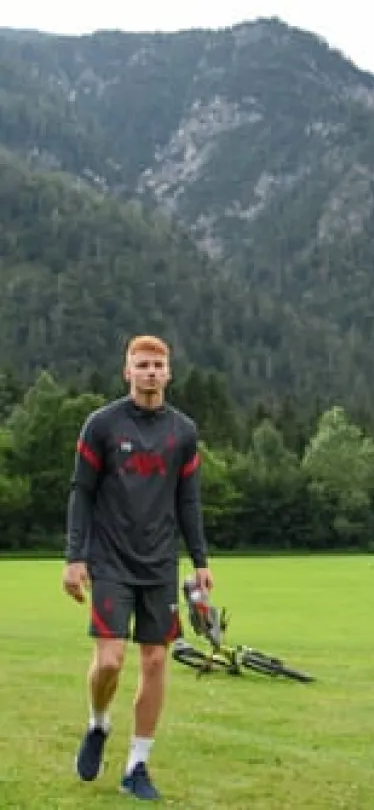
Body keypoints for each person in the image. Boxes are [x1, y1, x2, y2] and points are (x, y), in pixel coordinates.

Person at [63, 334, 213, 801]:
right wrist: (75, 557)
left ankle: (137, 766)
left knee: (154, 661)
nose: (150, 371)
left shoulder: (183, 432)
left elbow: (188, 501)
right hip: (109, 560)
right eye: (141, 364)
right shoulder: (101, 425)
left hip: (160, 564)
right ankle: (98, 723)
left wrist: (201, 561)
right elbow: (81, 492)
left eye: (157, 365)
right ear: (127, 371)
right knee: (109, 660)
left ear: (168, 373)